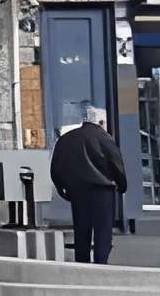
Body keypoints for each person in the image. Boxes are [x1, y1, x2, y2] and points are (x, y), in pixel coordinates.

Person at [49, 104, 128, 265]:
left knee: (81, 229)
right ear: (100, 122)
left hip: (77, 191)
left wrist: (61, 187)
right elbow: (116, 164)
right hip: (103, 190)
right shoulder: (104, 138)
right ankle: (100, 262)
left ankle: (82, 261)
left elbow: (56, 166)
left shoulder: (67, 139)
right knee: (103, 231)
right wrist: (122, 185)